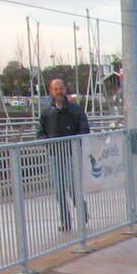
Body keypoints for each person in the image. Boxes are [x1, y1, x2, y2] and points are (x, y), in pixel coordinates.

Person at [36, 78, 89, 230]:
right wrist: (46, 141)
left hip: (71, 154)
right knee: (59, 191)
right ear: (51, 91)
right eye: (56, 89)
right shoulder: (47, 113)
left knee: (72, 187)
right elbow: (40, 132)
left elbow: (84, 129)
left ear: (65, 89)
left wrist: (75, 142)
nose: (59, 92)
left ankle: (82, 212)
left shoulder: (75, 109)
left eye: (61, 88)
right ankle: (65, 221)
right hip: (54, 155)